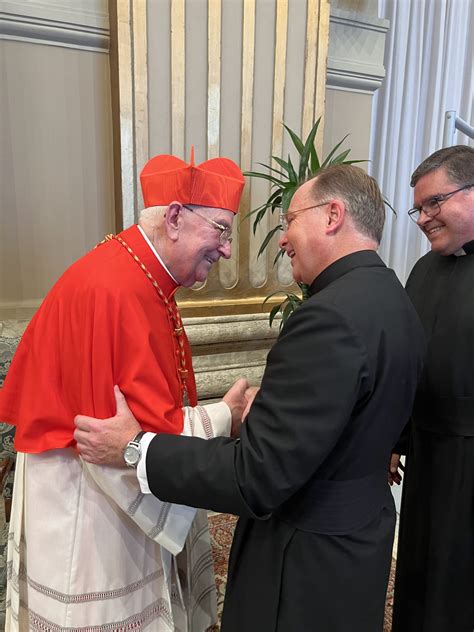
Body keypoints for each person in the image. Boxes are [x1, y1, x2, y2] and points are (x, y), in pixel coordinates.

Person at [75, 164, 426, 632]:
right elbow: (381, 416)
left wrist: (135, 448)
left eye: (290, 221)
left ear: (332, 215)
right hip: (361, 535)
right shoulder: (395, 296)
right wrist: (288, 412)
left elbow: (255, 478)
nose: (282, 239)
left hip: (306, 560)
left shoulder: (329, 318)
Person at [0, 149, 248, 631]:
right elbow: (111, 439)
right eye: (220, 229)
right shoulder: (115, 289)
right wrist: (225, 416)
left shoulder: (143, 277)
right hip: (82, 499)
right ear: (175, 217)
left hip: (90, 486)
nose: (225, 249)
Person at [390, 145, 474, 632]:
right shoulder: (424, 270)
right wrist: (394, 440)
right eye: (418, 207)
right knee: (421, 569)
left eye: (434, 204)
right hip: (428, 455)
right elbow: (407, 363)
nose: (422, 218)